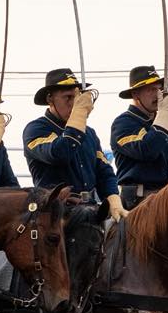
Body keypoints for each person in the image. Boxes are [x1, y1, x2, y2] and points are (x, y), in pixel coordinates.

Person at [21, 68, 124, 219]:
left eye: (77, 98)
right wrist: (78, 118)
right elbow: (59, 153)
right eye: (68, 97)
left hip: (90, 208)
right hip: (56, 215)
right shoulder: (35, 129)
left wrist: (113, 198)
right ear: (50, 99)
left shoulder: (89, 133)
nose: (74, 103)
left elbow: (103, 171)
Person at [110, 65, 168, 210]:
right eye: (151, 90)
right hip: (139, 202)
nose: (158, 95)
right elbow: (147, 149)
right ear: (136, 94)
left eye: (159, 89)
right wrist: (164, 117)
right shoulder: (122, 124)